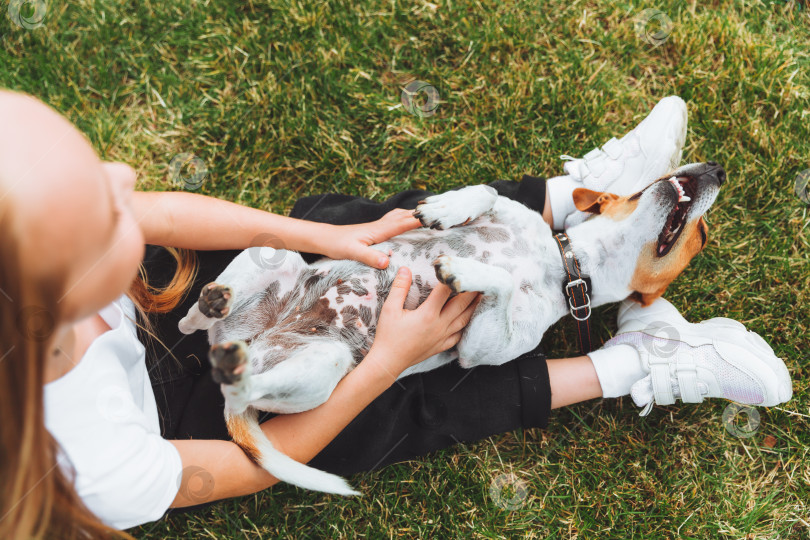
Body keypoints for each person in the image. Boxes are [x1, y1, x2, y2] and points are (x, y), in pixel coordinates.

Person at [0, 91, 791, 540]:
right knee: (390, 411)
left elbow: (156, 213)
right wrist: (381, 361)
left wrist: (317, 237)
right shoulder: (88, 462)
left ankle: (578, 204)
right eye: (105, 209)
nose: (124, 172)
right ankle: (635, 361)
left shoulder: (48, 260)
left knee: (351, 230)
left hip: (154, 328)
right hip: (200, 420)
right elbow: (246, 466)